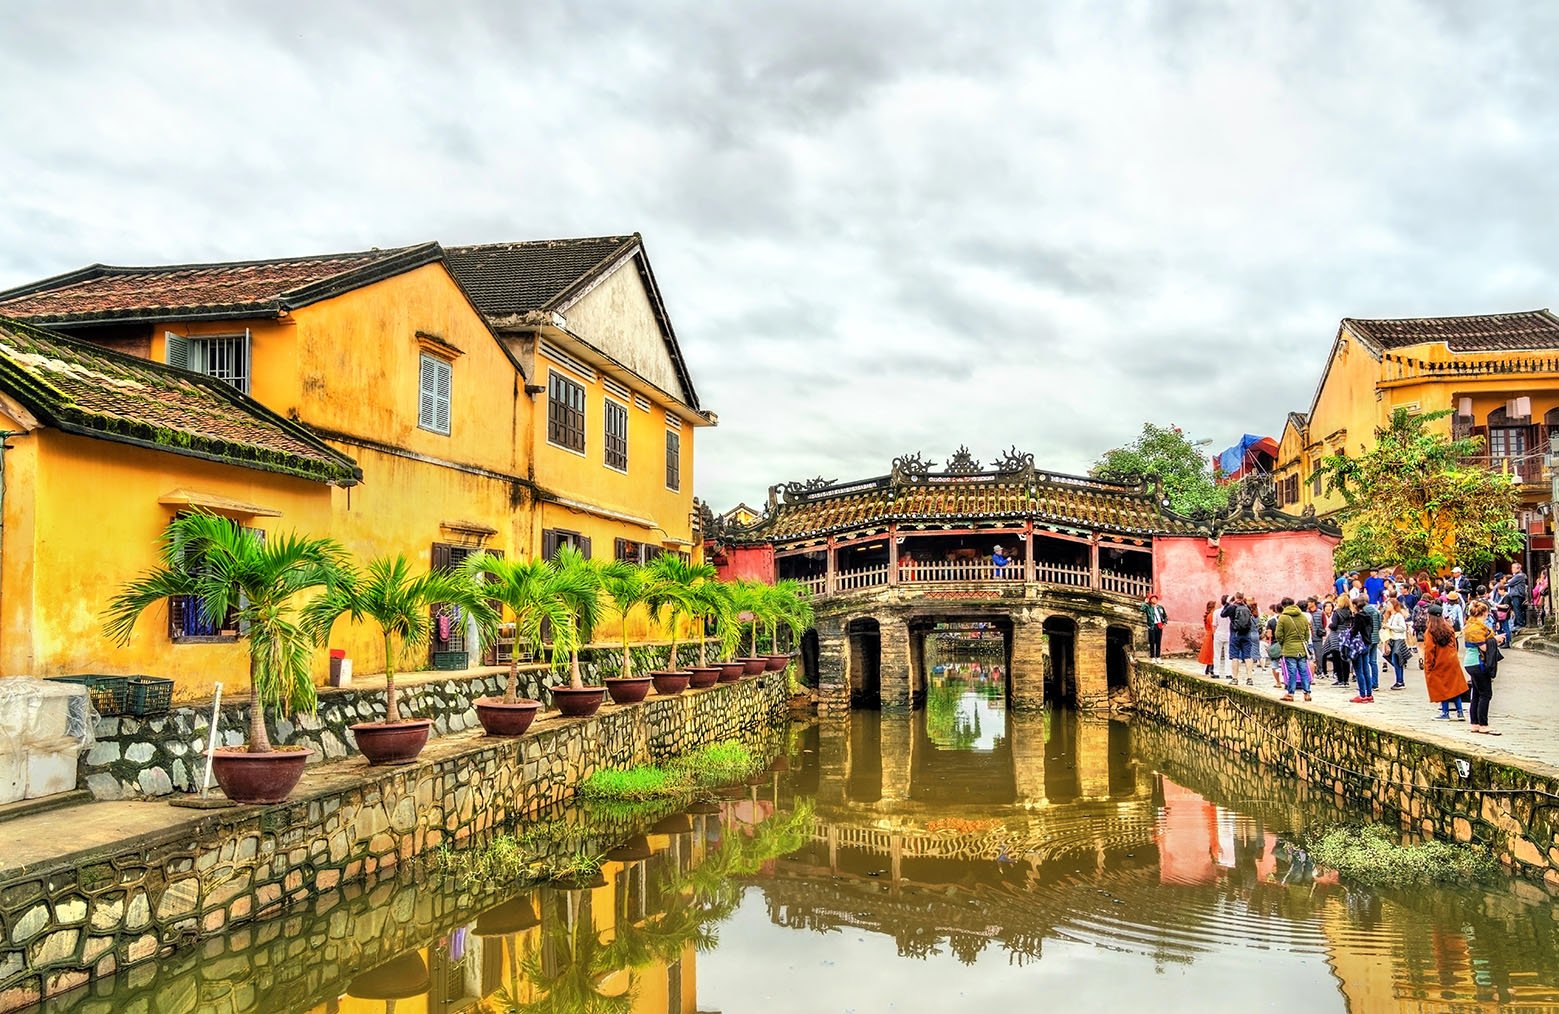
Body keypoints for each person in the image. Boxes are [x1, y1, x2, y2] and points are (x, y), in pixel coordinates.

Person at [1463, 600, 1504, 735]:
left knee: (1476, 694)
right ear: (1484, 613)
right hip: (1478, 662)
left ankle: (1474, 723)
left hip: (1469, 662)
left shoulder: (1470, 625)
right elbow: (1484, 647)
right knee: (1486, 694)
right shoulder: (1477, 628)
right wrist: (1495, 640)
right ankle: (1483, 724)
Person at [1422, 605, 1469, 721]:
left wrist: (1428, 666)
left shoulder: (1430, 632)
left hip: (1439, 662)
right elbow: (1454, 644)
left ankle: (1445, 713)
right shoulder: (1449, 628)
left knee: (1442, 687)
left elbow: (1429, 650)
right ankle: (1460, 712)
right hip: (1452, 660)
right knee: (1455, 687)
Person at [1274, 597, 1312, 702]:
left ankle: (1290, 693)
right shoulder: (1303, 617)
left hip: (1289, 648)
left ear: (1283, 606)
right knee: (1304, 671)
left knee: (1292, 672)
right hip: (1301, 648)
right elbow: (1307, 634)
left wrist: (1283, 643)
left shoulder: (1283, 618)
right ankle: (1307, 693)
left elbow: (1278, 634)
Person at [1347, 595, 1375, 703]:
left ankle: (1362, 695)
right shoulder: (1368, 615)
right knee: (1366, 669)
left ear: (1355, 606)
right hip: (1367, 644)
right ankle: (1369, 694)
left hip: (1358, 645)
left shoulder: (1358, 616)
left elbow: (1354, 632)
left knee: (1359, 671)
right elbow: (1371, 630)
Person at [1223, 593, 1256, 685]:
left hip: (1235, 634)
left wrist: (1227, 603)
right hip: (1246, 634)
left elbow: (1223, 614)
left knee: (1235, 657)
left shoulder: (1232, 607)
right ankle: (1249, 678)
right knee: (1248, 656)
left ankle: (1235, 678)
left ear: (1235, 597)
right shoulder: (1247, 607)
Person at [1382, 597, 1408, 690]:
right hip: (1391, 639)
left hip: (1398, 639)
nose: (1387, 606)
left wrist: (1390, 627)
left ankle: (1400, 681)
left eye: (1389, 604)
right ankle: (1399, 680)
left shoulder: (1398, 616)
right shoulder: (1390, 616)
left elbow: (1403, 628)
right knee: (1394, 660)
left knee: (1397, 660)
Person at [1213, 594, 1233, 680]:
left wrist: (1214, 635)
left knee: (1217, 654)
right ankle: (1228, 673)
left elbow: (1214, 625)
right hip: (1229, 634)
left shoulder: (1217, 612)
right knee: (1228, 655)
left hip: (1219, 633)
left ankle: (1216, 672)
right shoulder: (1232, 612)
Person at [1142, 594, 1168, 659]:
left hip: (1159, 625)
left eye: (1156, 598)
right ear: (1150, 600)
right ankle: (1153, 657)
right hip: (1152, 626)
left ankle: (1158, 657)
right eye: (1153, 599)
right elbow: (1142, 609)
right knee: (1152, 642)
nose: (1155, 600)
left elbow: (1165, 616)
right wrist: (1145, 603)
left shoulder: (1160, 607)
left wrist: (1164, 624)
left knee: (1158, 642)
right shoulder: (1148, 607)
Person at [1507, 563, 1529, 628]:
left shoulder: (1520, 575)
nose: (1512, 569)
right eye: (1512, 567)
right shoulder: (1516, 576)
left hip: (1517, 594)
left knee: (1517, 609)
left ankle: (1520, 623)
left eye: (1513, 568)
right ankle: (1517, 623)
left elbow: (1510, 583)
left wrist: (1509, 581)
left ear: (1519, 568)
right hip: (1516, 594)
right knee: (1517, 609)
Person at [1199, 600, 1216, 675]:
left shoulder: (1208, 615)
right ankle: (1211, 668)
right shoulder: (1212, 615)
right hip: (1211, 635)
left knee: (1209, 652)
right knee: (1212, 652)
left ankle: (1208, 668)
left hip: (1208, 634)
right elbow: (1213, 626)